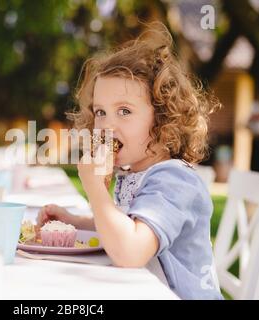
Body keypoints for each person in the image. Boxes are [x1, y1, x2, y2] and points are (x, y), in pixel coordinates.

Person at [36, 25, 222, 300]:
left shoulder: (173, 181)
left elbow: (130, 251)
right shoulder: (135, 171)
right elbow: (129, 223)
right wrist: (76, 222)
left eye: (124, 111)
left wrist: (95, 189)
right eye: (100, 112)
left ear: (163, 119)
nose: (107, 125)